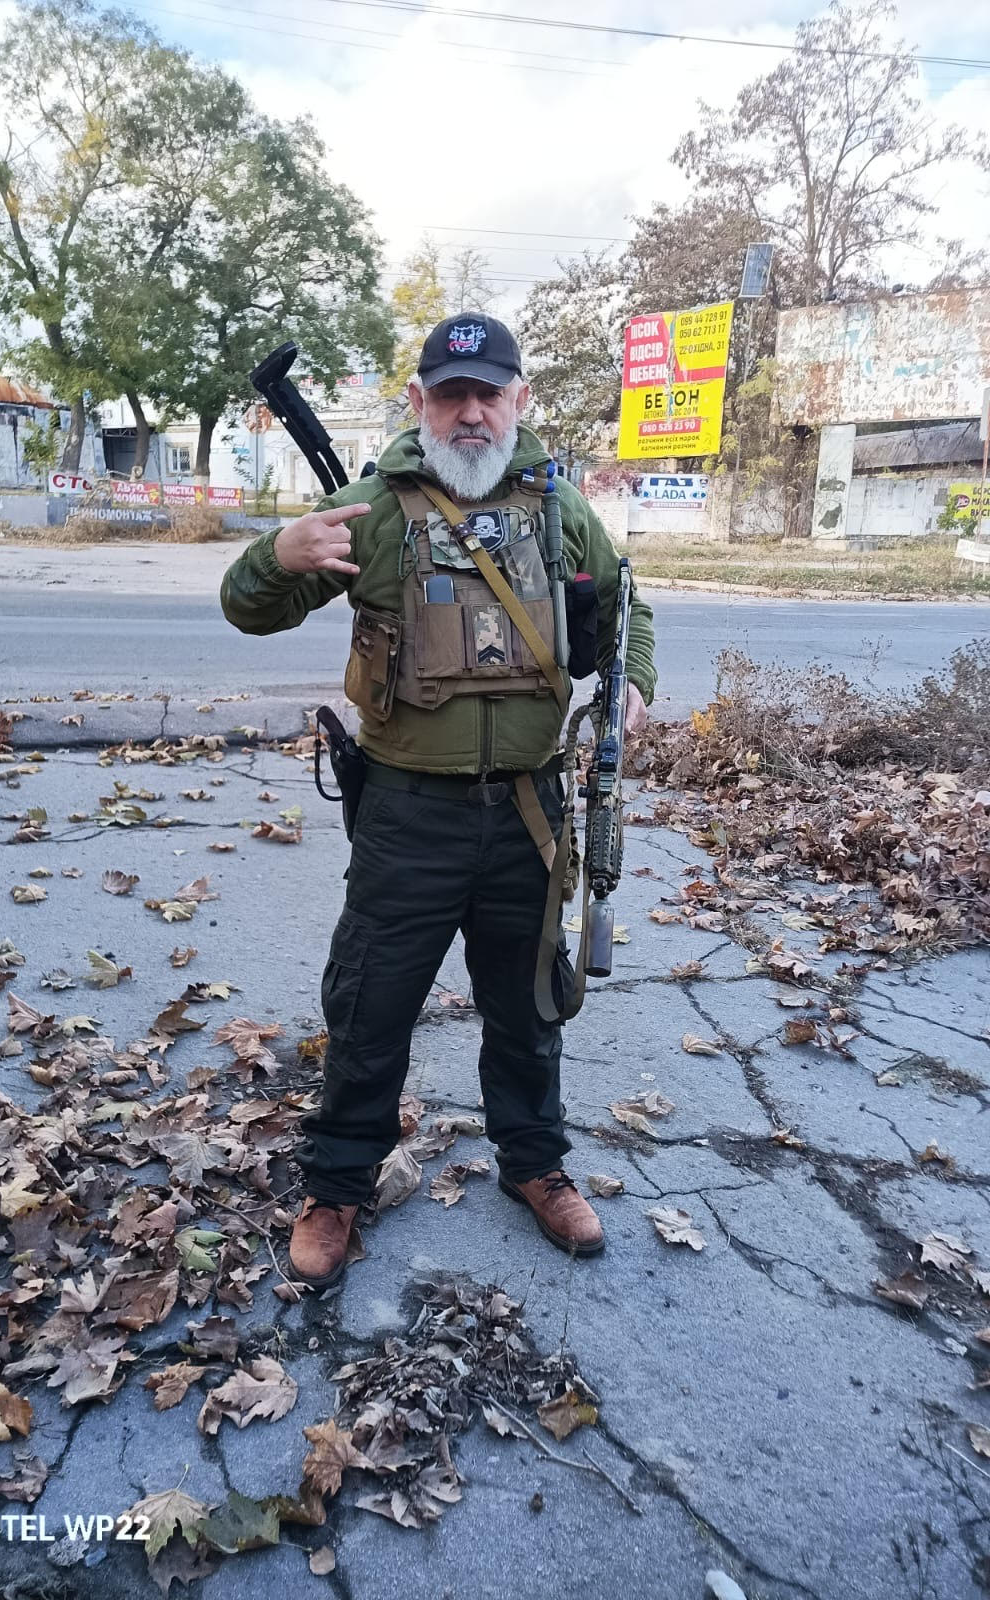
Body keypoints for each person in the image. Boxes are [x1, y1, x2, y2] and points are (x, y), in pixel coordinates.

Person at [220, 313, 657, 1290]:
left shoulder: (560, 509)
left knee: (527, 1003)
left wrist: (637, 680)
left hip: (532, 811)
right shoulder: (373, 509)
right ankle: (337, 1185)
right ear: (419, 403)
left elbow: (629, 605)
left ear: (518, 402)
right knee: (372, 1005)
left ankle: (534, 1164)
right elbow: (250, 609)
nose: (470, 412)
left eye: (487, 393)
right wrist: (273, 559)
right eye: (450, 393)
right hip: (410, 813)